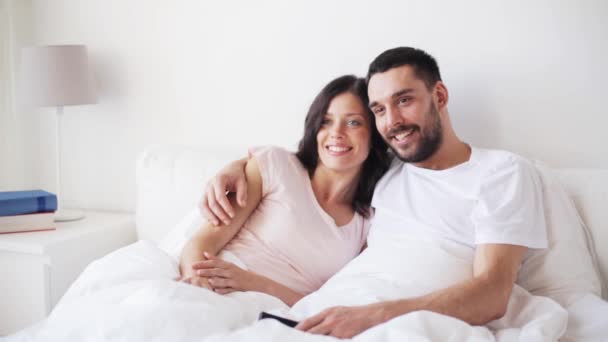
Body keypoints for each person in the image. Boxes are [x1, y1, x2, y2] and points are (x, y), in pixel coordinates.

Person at [199, 47, 548, 338]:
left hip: (384, 325)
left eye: (404, 100)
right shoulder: (386, 178)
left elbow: (493, 292)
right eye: (379, 109)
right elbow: (309, 163)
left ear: (439, 96)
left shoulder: (502, 172)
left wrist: (373, 316)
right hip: (312, 317)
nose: (392, 121)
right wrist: (237, 166)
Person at [178, 75, 390, 306]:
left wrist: (254, 283)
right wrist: (196, 284)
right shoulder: (276, 165)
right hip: (214, 288)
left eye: (353, 122)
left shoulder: (369, 222)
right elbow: (201, 244)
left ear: (374, 135)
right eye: (326, 121)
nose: (336, 133)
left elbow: (330, 305)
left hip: (279, 313)